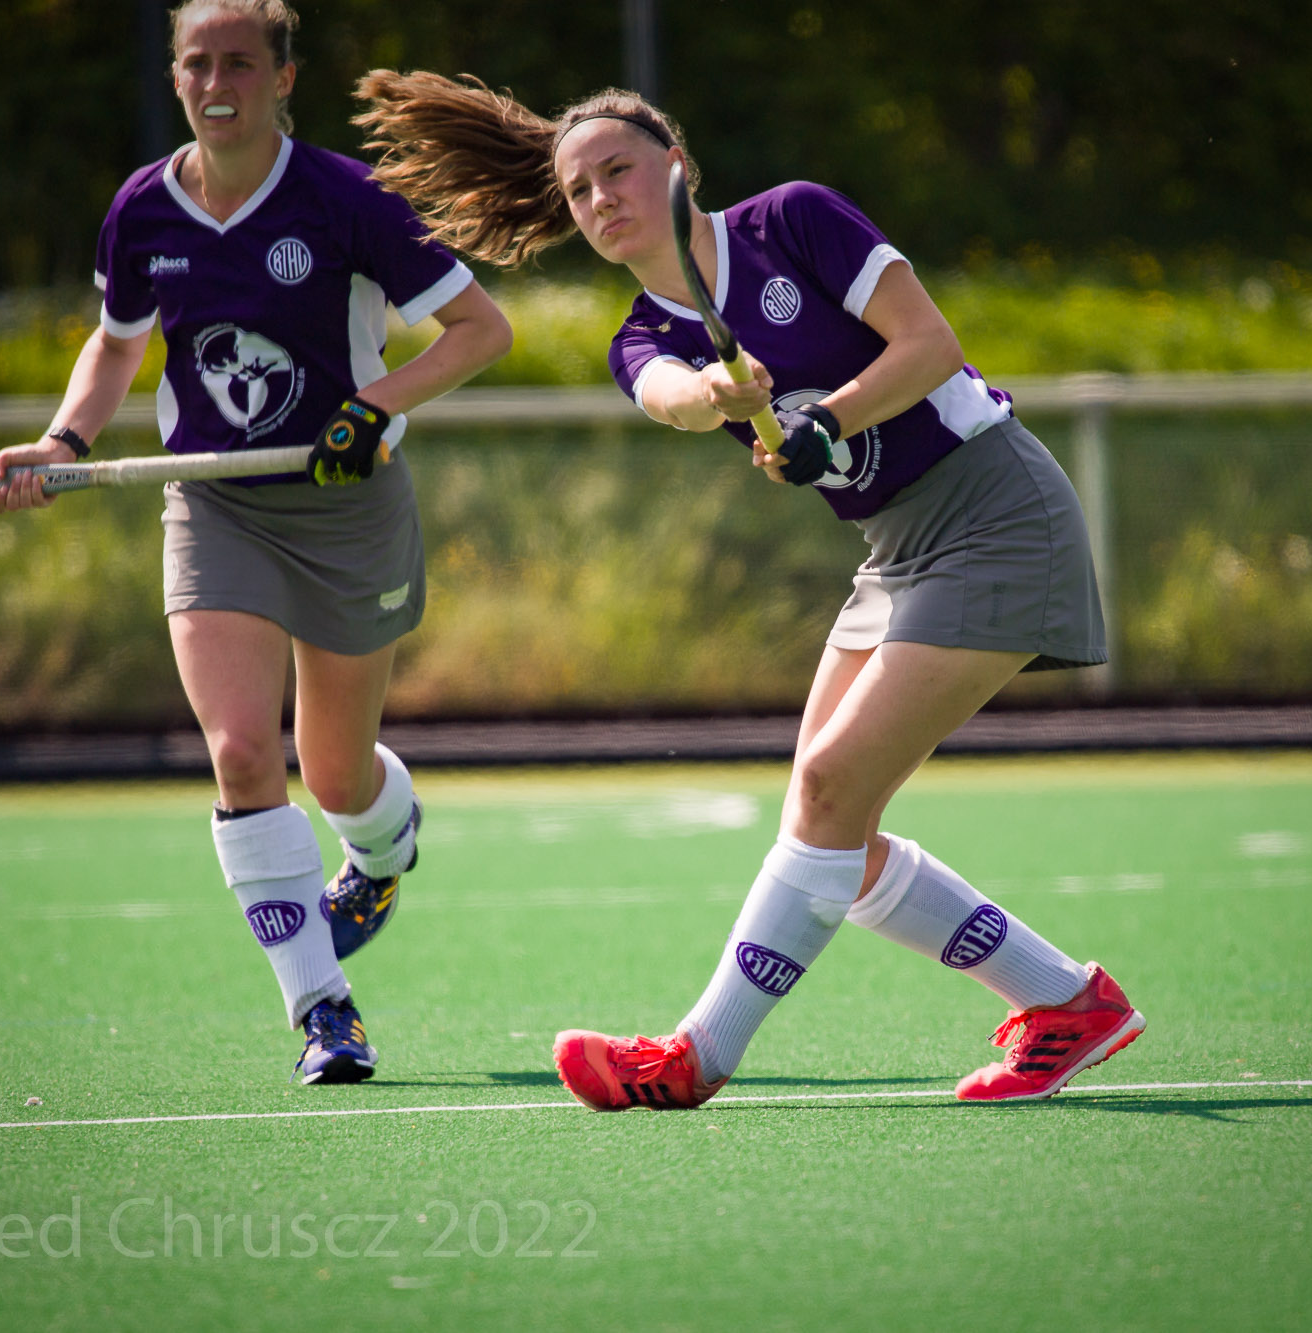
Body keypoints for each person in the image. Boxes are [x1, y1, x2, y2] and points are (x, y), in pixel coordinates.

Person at [353, 72, 1142, 1107]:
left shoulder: (792, 221)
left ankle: (693, 1057)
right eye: (579, 190)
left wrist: (828, 421)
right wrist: (714, 393)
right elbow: (671, 397)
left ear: (677, 167)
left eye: (618, 170)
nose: (600, 198)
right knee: (831, 829)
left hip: (995, 514)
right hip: (894, 549)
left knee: (827, 796)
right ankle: (1065, 1002)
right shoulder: (639, 340)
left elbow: (930, 347)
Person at [0, 7, 511, 1086]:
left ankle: (381, 848)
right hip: (215, 503)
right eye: (197, 64)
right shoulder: (142, 208)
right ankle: (323, 1011)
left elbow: (480, 331)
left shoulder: (347, 200)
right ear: (176, 78)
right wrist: (61, 440)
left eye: (238, 63)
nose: (215, 82)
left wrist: (374, 406)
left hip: (349, 507)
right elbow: (116, 344)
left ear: (282, 79)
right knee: (239, 753)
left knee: (336, 772)